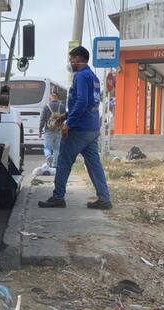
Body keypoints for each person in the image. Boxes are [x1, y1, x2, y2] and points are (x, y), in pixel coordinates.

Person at [39, 46, 112, 210]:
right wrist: (64, 116)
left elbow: (81, 102)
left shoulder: (80, 76)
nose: (70, 63)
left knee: (64, 161)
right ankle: (104, 198)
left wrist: (69, 124)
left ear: (79, 59)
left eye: (71, 59)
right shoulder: (93, 77)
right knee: (94, 165)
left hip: (79, 129)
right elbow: (88, 103)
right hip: (92, 128)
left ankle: (58, 197)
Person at [39, 92, 66, 168]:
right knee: (57, 149)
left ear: (50, 98)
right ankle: (55, 164)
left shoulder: (46, 107)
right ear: (57, 97)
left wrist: (40, 131)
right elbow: (65, 118)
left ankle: (48, 157)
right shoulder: (62, 106)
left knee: (47, 147)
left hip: (48, 131)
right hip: (58, 131)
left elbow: (42, 120)